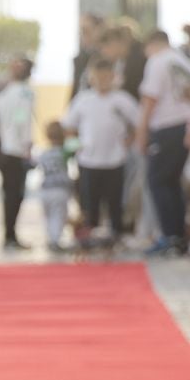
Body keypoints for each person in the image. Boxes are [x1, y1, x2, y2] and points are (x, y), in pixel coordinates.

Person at [135, 28, 190, 255]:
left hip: (165, 125)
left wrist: (141, 131)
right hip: (184, 124)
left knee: (158, 181)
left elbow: (150, 98)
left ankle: (170, 235)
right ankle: (178, 235)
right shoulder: (182, 60)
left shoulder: (158, 61)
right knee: (172, 182)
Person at [60, 59, 138, 244]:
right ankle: (89, 233)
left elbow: (137, 123)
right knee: (89, 201)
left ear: (113, 77)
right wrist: (76, 145)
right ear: (91, 78)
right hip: (88, 160)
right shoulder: (83, 100)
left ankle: (115, 234)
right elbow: (69, 126)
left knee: (115, 200)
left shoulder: (122, 100)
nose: (102, 81)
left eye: (106, 77)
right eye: (98, 77)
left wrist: (129, 141)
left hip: (115, 159)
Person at [0, 56, 35, 252]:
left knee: (7, 194)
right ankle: (10, 235)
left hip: (2, 148)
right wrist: (26, 144)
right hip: (16, 150)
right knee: (15, 194)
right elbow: (22, 119)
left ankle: (8, 234)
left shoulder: (1, 93)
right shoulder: (25, 93)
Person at [36, 120, 74, 251]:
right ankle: (55, 240)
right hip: (60, 189)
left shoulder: (43, 154)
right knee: (58, 215)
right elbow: (77, 148)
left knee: (48, 216)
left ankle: (50, 238)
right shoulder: (64, 152)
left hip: (45, 189)